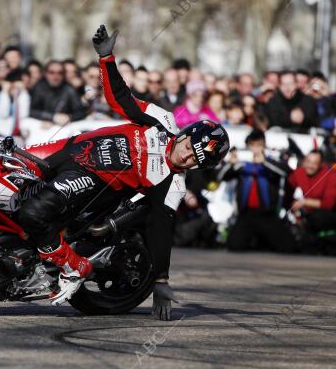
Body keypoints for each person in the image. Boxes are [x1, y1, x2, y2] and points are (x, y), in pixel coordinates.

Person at [19, 25, 230, 321]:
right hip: (68, 149)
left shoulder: (173, 185)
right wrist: (106, 58)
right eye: (188, 148)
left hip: (89, 180)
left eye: (194, 161)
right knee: (4, 169)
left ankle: (72, 265)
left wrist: (161, 281)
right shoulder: (162, 119)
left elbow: (160, 230)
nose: (185, 158)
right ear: (183, 134)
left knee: (31, 213)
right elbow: (120, 98)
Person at [217, 129, 296, 252]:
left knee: (289, 247)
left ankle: (262, 241)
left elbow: (286, 172)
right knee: (234, 246)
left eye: (259, 145)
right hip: (246, 214)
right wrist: (231, 164)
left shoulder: (271, 161)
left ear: (264, 146)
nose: (255, 149)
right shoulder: (241, 165)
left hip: (267, 215)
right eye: (252, 145)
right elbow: (220, 177)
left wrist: (265, 161)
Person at [288, 150, 336, 235]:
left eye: (314, 163)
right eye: (308, 162)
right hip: (306, 213)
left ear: (321, 164)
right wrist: (293, 206)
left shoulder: (331, 176)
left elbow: (328, 204)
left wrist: (303, 202)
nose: (310, 166)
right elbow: (288, 188)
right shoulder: (299, 173)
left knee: (317, 217)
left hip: (326, 214)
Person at [29, 60, 87, 125]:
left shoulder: (69, 89)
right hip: (41, 127)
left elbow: (81, 112)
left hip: (62, 128)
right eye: (51, 72)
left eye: (60, 73)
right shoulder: (39, 88)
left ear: (63, 74)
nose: (56, 76)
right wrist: (52, 117)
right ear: (45, 73)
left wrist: (69, 117)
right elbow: (30, 111)